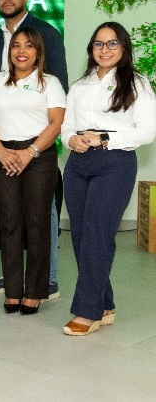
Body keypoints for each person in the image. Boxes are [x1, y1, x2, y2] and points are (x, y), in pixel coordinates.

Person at [61, 22, 156, 336]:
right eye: (98, 44)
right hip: (78, 163)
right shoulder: (80, 85)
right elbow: (66, 126)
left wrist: (104, 138)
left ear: (124, 47)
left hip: (115, 163)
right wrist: (70, 139)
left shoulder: (137, 84)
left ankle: (87, 312)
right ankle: (105, 305)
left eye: (112, 43)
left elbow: (148, 131)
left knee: (97, 235)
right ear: (91, 49)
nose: (105, 50)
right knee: (80, 236)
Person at [0, 0, 68, 300]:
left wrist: (32, 150)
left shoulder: (47, 33)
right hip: (4, 150)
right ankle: (13, 283)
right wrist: (1, 151)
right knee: (10, 223)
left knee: (40, 220)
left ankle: (46, 281)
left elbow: (58, 98)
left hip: (38, 149)